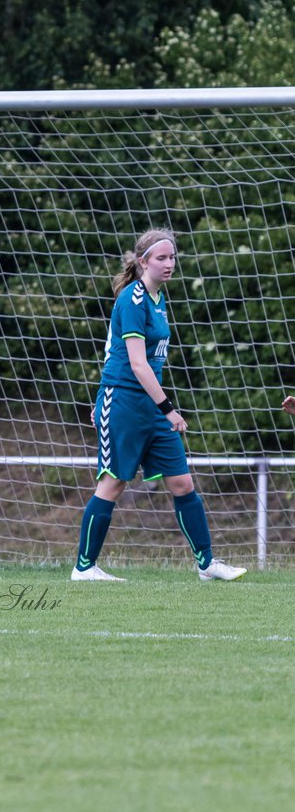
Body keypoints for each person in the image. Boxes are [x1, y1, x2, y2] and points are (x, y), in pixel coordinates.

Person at [73, 228, 245, 582]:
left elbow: (114, 352)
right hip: (124, 401)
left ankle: (206, 564)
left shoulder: (157, 299)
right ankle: (84, 568)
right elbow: (135, 364)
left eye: (172, 258)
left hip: (149, 405)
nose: (169, 264)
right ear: (142, 262)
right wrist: (167, 409)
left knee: (182, 482)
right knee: (114, 483)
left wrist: (159, 408)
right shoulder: (132, 300)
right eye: (161, 258)